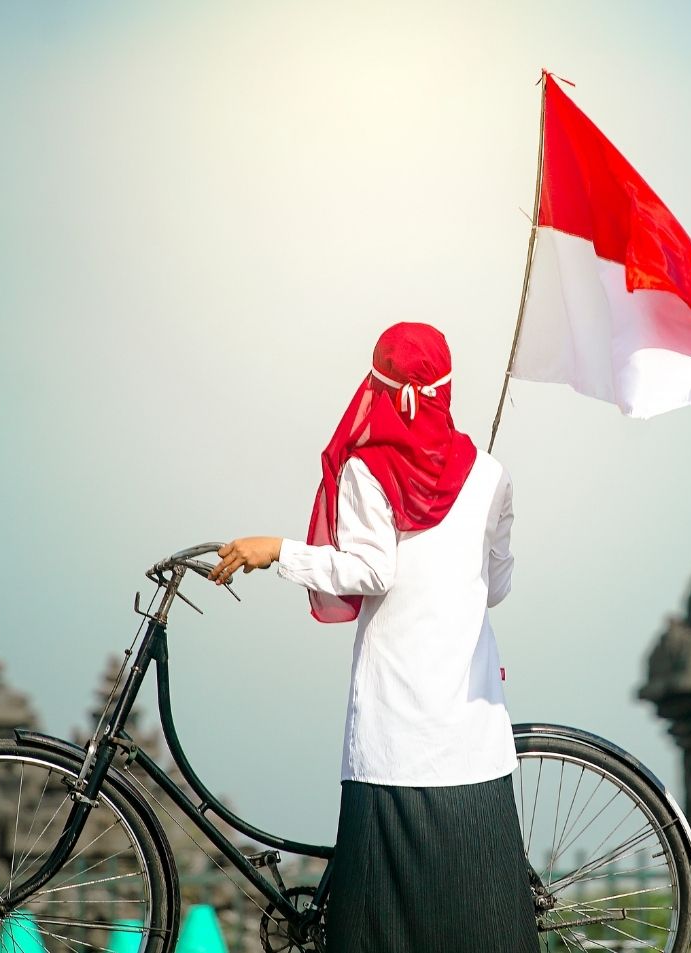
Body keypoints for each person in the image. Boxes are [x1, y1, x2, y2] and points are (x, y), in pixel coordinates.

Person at [207, 322, 539, 953]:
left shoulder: (366, 469)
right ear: (446, 386)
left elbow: (370, 570)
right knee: (479, 916)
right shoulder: (492, 475)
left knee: (382, 927)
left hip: (394, 733)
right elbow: (496, 587)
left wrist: (279, 552)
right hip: (470, 732)